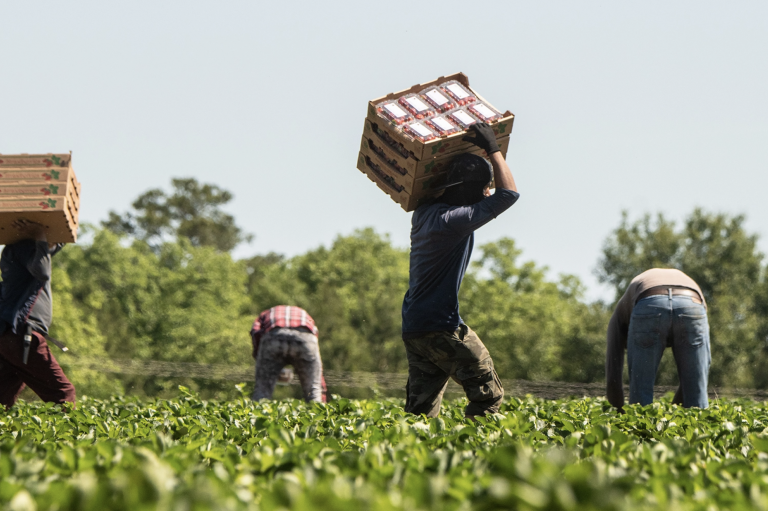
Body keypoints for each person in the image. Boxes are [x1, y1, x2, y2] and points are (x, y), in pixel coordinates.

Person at [401, 122, 520, 419]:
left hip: (415, 326)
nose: (488, 192)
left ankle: (412, 460)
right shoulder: (455, 220)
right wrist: (493, 147)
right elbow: (509, 195)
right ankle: (475, 458)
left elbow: (442, 185)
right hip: (442, 325)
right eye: (484, 187)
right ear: (472, 191)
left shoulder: (425, 213)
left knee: (420, 411)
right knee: (488, 393)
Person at [606, 268, 710, 411]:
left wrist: (618, 412)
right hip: (692, 304)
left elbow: (613, 376)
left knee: (640, 399)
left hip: (649, 302)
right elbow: (697, 373)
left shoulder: (618, 318)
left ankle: (641, 429)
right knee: (696, 397)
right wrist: (674, 412)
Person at [0, 219, 76, 409]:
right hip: (23, 335)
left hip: (7, 337)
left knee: (3, 395)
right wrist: (40, 235)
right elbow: (42, 270)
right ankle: (69, 438)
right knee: (64, 393)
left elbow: (42, 258)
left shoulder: (13, 251)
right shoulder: (24, 247)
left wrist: (46, 243)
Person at [250, 305, 327, 403]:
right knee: (313, 390)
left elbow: (256, 332)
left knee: (262, 390)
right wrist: (322, 392)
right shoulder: (305, 315)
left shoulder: (264, 314)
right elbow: (314, 348)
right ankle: (320, 415)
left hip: (274, 335)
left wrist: (261, 361)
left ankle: (256, 416)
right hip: (305, 339)